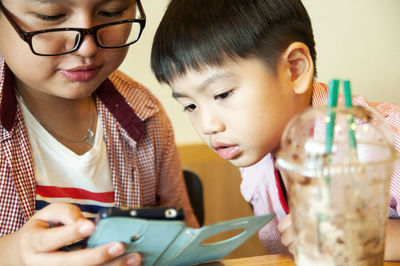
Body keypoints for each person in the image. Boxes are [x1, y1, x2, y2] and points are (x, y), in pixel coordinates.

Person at [150, 0, 400, 260]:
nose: (207, 126)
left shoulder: (382, 135)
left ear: (294, 69)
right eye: (189, 106)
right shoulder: (255, 151)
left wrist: (370, 236)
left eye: (223, 94)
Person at [0, 0, 198, 265]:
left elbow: (184, 244)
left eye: (111, 12)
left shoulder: (144, 114)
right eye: (51, 16)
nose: (88, 47)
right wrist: (12, 255)